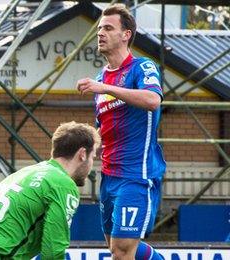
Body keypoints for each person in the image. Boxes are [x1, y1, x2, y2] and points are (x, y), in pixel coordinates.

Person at [76, 4, 166, 260]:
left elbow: (152, 100)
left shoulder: (142, 67)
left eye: (108, 28)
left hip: (137, 175)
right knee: (119, 250)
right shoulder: (102, 75)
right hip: (109, 177)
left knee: (122, 252)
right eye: (99, 29)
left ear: (126, 34)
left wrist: (104, 87)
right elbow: (101, 129)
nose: (100, 33)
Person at [0, 121, 100, 259]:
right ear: (82, 154)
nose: (92, 164)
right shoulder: (63, 184)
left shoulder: (23, 174)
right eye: (93, 157)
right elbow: (53, 250)